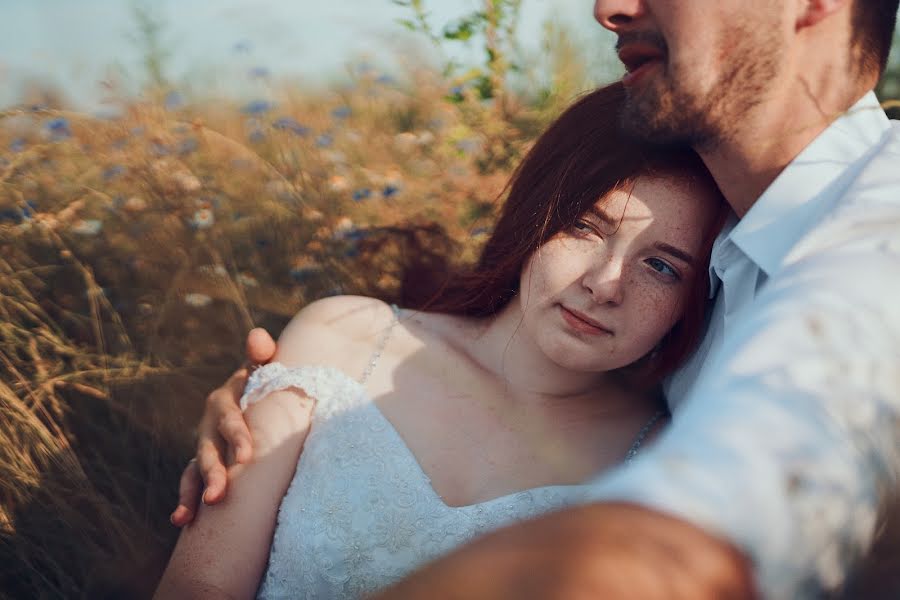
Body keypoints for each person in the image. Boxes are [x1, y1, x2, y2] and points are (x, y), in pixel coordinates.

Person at [176, 0, 900, 598]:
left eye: (663, 269)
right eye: (586, 227)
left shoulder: (882, 244)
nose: (608, 8)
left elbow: (685, 542)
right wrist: (281, 403)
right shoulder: (734, 250)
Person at [155, 82, 729, 599]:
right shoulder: (343, 338)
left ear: (691, 303)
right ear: (537, 216)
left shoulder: (659, 468)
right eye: (586, 227)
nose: (606, 285)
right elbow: (202, 586)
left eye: (661, 267)